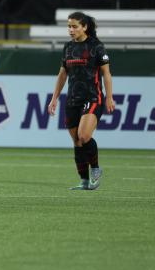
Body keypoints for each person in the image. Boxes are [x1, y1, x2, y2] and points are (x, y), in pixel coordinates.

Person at [48, 12, 114, 190]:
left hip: (93, 97)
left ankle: (96, 169)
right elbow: (63, 74)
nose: (71, 30)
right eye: (69, 26)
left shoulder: (96, 46)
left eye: (74, 26)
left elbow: (106, 74)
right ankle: (84, 181)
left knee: (84, 136)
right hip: (72, 99)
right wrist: (54, 98)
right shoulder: (68, 47)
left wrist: (109, 97)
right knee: (77, 141)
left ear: (84, 27)